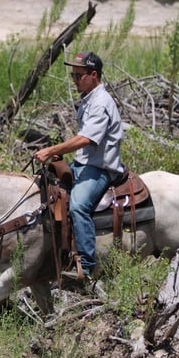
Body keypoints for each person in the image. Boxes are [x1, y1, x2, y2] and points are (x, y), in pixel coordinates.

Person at [34, 51, 125, 279]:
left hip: (101, 168)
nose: (74, 79)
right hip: (85, 163)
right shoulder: (89, 99)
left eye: (78, 75)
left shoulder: (101, 102)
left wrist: (52, 150)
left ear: (93, 75)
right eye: (73, 75)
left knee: (77, 206)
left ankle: (86, 265)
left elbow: (87, 139)